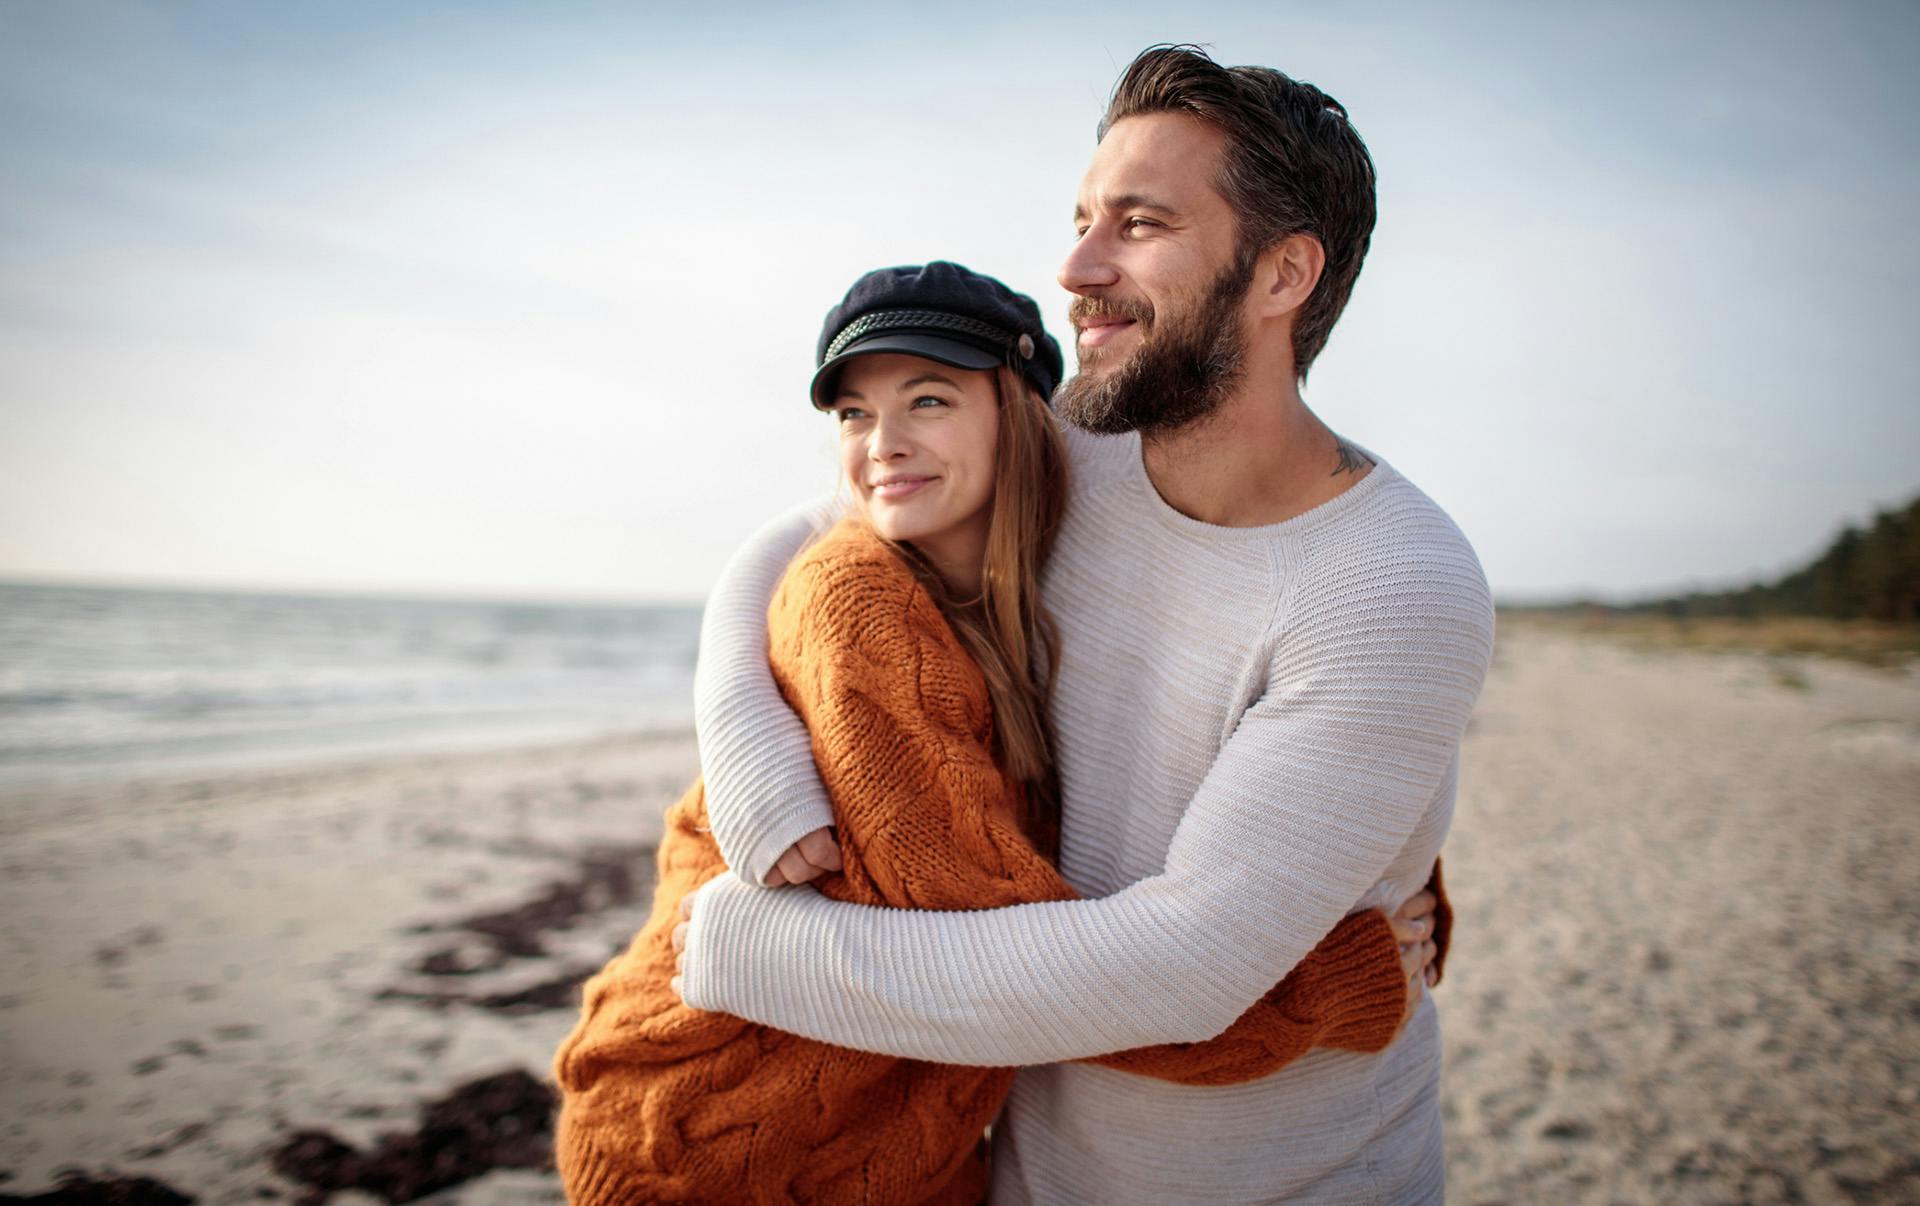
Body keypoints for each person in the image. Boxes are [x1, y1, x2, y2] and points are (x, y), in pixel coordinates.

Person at [672, 47, 1495, 1203]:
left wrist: (756, 953)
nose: (1075, 266)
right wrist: (746, 739)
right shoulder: (1077, 448)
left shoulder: (1389, 585)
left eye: (1140, 225)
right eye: (1081, 218)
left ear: (1282, 275)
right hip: (1029, 1168)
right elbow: (786, 542)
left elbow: (1178, 970)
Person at [551, 261, 1445, 1202]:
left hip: (887, 1151)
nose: (881, 446)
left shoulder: (1024, 582)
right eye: (853, 414)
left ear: (1025, 412)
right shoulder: (860, 607)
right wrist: (1344, 979)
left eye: (927, 400)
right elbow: (1021, 986)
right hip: (717, 1144)